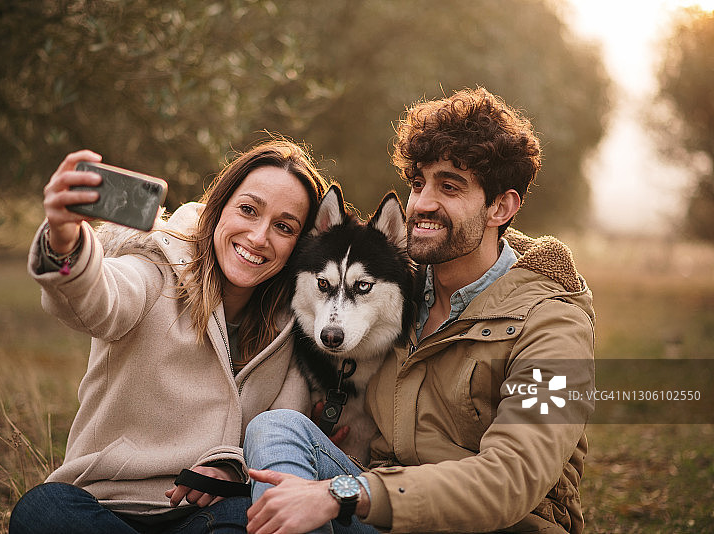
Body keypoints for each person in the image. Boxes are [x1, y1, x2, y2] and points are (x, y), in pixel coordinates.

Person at [243, 88, 596, 534]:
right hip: (387, 516)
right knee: (277, 427)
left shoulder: (555, 328)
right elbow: (241, 237)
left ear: (501, 207)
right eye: (417, 184)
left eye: (449, 186)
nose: (422, 204)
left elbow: (513, 478)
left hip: (498, 526)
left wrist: (347, 493)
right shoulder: (394, 293)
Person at [9, 139, 329, 534]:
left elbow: (280, 432)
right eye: (248, 210)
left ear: (300, 245)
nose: (259, 236)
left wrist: (232, 467)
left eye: (284, 226)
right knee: (43, 508)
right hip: (105, 507)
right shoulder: (153, 270)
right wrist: (64, 238)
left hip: (208, 514)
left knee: (245, 520)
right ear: (219, 207)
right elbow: (97, 298)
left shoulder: (295, 323)